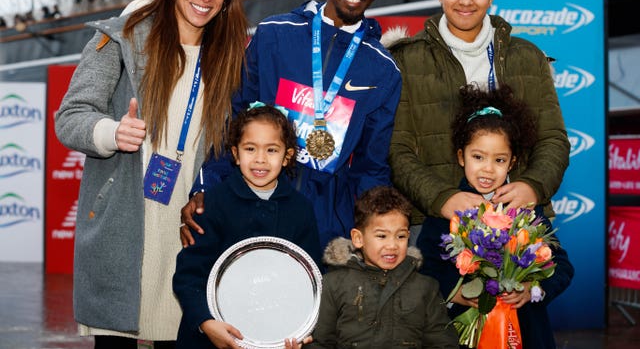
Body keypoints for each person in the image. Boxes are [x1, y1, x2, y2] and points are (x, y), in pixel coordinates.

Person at [54, 0, 247, 348]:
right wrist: (111, 133)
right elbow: (70, 116)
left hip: (187, 231)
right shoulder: (121, 37)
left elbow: (229, 145)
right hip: (124, 226)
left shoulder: (230, 57)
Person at [181, 0, 402, 250]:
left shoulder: (383, 69)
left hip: (325, 226)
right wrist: (207, 186)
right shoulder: (275, 33)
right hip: (255, 202)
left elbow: (372, 165)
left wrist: (377, 229)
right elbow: (233, 119)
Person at [387, 0, 570, 239]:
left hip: (516, 221)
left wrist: (532, 186)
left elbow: (553, 139)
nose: (466, 0)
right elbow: (397, 150)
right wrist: (442, 198)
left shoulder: (527, 57)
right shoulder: (406, 60)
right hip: (433, 224)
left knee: (520, 290)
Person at [423, 84, 574, 348]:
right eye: (478, 157)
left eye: (500, 160)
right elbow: (425, 267)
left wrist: (532, 290)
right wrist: (456, 292)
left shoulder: (525, 209)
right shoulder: (450, 210)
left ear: (513, 162)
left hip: (526, 332)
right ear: (461, 156)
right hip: (463, 334)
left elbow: (561, 265)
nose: (488, 169)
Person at [173, 103, 322, 349]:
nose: (260, 159)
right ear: (235, 154)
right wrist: (206, 323)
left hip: (274, 335)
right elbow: (188, 275)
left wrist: (301, 327)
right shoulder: (213, 203)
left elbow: (311, 277)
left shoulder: (301, 209)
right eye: (250, 148)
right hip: (212, 338)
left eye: (272, 150)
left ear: (287, 156)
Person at [307, 186, 458, 349]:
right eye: (382, 236)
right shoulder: (333, 284)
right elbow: (320, 342)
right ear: (358, 238)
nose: (392, 245)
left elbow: (444, 343)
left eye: (401, 236)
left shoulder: (426, 288)